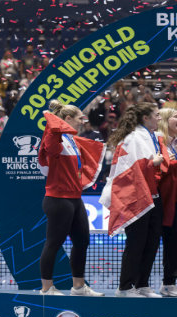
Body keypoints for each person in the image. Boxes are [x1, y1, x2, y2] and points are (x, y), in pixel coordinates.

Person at [37, 101, 106, 296]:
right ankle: (47, 288)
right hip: (58, 199)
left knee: (82, 241)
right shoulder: (53, 138)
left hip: (75, 198)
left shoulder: (71, 141)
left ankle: (78, 287)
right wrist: (50, 114)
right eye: (79, 118)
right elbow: (50, 147)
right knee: (53, 243)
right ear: (67, 119)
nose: (83, 122)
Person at [100, 102, 168, 298]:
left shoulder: (151, 136)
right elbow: (127, 171)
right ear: (145, 118)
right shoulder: (133, 138)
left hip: (153, 196)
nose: (159, 118)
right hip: (137, 198)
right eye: (156, 115)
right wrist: (152, 163)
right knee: (136, 243)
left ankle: (142, 284)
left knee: (152, 242)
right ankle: (124, 287)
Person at [157, 108, 177, 297]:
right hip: (155, 198)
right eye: (175, 116)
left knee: (172, 242)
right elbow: (161, 167)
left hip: (173, 200)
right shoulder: (156, 142)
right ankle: (137, 283)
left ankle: (169, 283)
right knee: (148, 243)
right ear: (165, 121)